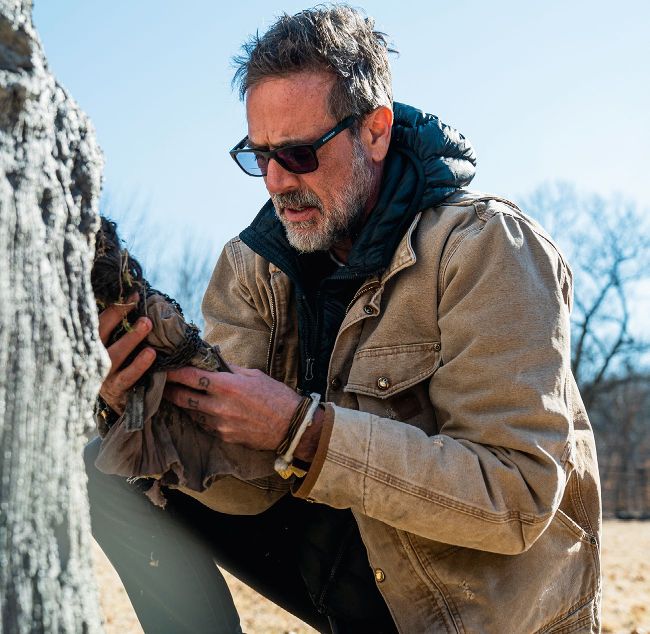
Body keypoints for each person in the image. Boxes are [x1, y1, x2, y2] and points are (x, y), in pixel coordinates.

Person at [85, 5, 602, 633]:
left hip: (470, 611)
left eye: (299, 153)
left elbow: (517, 496)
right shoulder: (252, 267)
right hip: (347, 568)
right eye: (259, 156)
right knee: (108, 467)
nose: (277, 182)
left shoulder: (488, 248)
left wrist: (303, 434)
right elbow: (246, 489)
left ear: (375, 131)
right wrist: (143, 401)